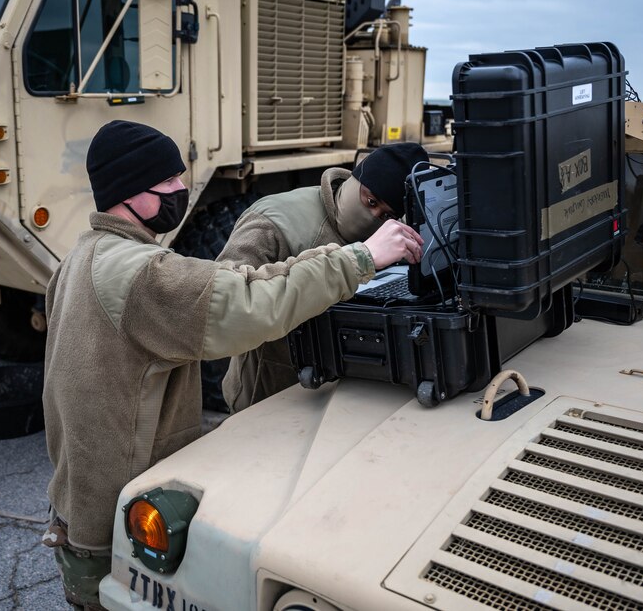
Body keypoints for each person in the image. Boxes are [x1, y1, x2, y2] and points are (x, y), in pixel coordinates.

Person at [40, 120, 423, 610]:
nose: (182, 190)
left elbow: (239, 279)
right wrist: (362, 259)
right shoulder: (144, 277)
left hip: (80, 498)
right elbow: (250, 302)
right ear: (128, 192)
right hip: (121, 515)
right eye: (169, 184)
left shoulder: (82, 257)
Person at [216, 142, 430, 412]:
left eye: (386, 214)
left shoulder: (390, 235)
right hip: (270, 394)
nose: (372, 216)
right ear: (356, 179)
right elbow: (227, 305)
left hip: (341, 393)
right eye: (371, 201)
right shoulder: (274, 222)